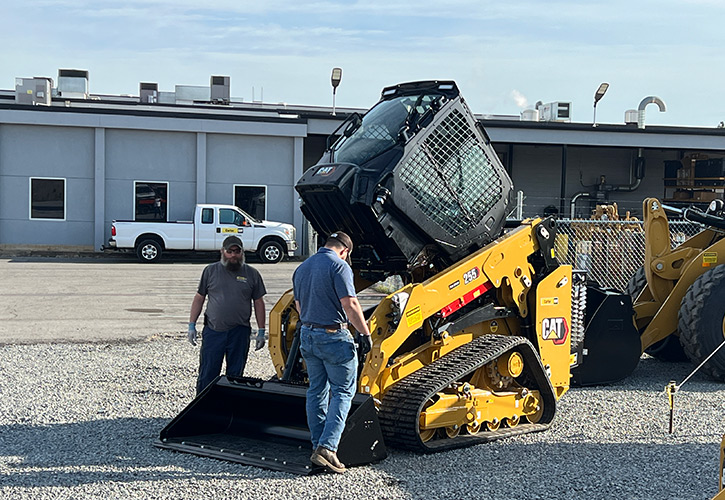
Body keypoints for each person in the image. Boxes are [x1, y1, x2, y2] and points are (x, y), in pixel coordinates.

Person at [292, 231, 372, 474]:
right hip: (333, 336)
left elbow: (298, 305)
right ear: (345, 251)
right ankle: (328, 447)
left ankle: (317, 445)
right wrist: (364, 333)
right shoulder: (339, 267)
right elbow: (350, 303)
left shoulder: (302, 268)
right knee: (343, 391)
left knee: (316, 390)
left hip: (308, 333)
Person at [188, 235, 267, 395]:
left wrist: (261, 331)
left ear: (242, 252)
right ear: (222, 251)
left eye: (237, 251)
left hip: (240, 332)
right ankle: (202, 410)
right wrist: (191, 325)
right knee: (207, 373)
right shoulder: (210, 271)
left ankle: (229, 412)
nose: (233, 255)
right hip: (214, 331)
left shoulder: (252, 274)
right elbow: (199, 297)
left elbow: (259, 302)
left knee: (236, 377)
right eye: (229, 251)